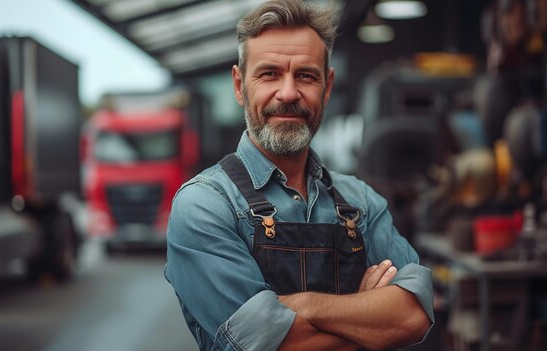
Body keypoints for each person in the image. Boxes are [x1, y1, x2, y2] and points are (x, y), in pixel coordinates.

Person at [165, 0, 434, 350]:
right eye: (269, 74)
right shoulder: (204, 205)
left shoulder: (361, 202)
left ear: (327, 86)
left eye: (306, 75)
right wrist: (369, 321)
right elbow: (266, 344)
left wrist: (306, 306)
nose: (289, 93)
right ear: (239, 85)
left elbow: (413, 315)